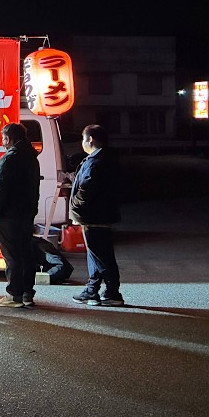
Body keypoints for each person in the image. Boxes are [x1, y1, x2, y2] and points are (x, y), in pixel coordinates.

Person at [70, 124, 124, 306]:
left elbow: (87, 190)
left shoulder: (96, 162)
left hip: (94, 216)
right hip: (101, 214)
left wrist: (75, 206)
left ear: (90, 139)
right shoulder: (106, 158)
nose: (82, 143)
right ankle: (92, 290)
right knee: (97, 254)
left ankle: (111, 292)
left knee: (101, 255)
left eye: (83, 139)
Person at [0, 123, 42, 309]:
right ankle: (27, 292)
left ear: (9, 138)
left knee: (11, 254)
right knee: (26, 253)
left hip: (9, 214)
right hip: (26, 213)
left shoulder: (10, 158)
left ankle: (14, 295)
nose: (2, 142)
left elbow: (0, 188)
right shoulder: (31, 156)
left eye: (3, 139)